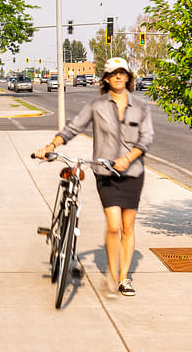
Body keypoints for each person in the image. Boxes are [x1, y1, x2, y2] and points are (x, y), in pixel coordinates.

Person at [35, 57, 154, 296]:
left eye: (123, 73)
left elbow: (147, 138)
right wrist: (51, 145)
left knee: (128, 227)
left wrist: (128, 158)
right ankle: (112, 275)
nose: (119, 77)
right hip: (105, 173)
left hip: (133, 174)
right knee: (113, 227)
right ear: (107, 79)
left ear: (129, 78)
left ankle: (124, 278)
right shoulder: (96, 105)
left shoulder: (141, 107)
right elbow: (73, 127)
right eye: (114, 73)